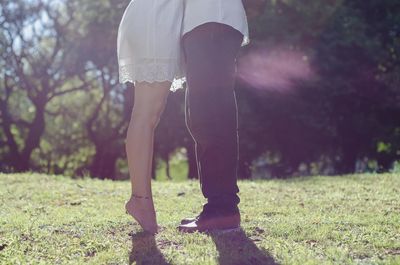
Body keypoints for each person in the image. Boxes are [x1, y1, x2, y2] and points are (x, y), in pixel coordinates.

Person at [117, 0, 250, 234]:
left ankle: (222, 208)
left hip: (210, 19)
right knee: (199, 114)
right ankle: (218, 207)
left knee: (209, 113)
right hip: (189, 22)